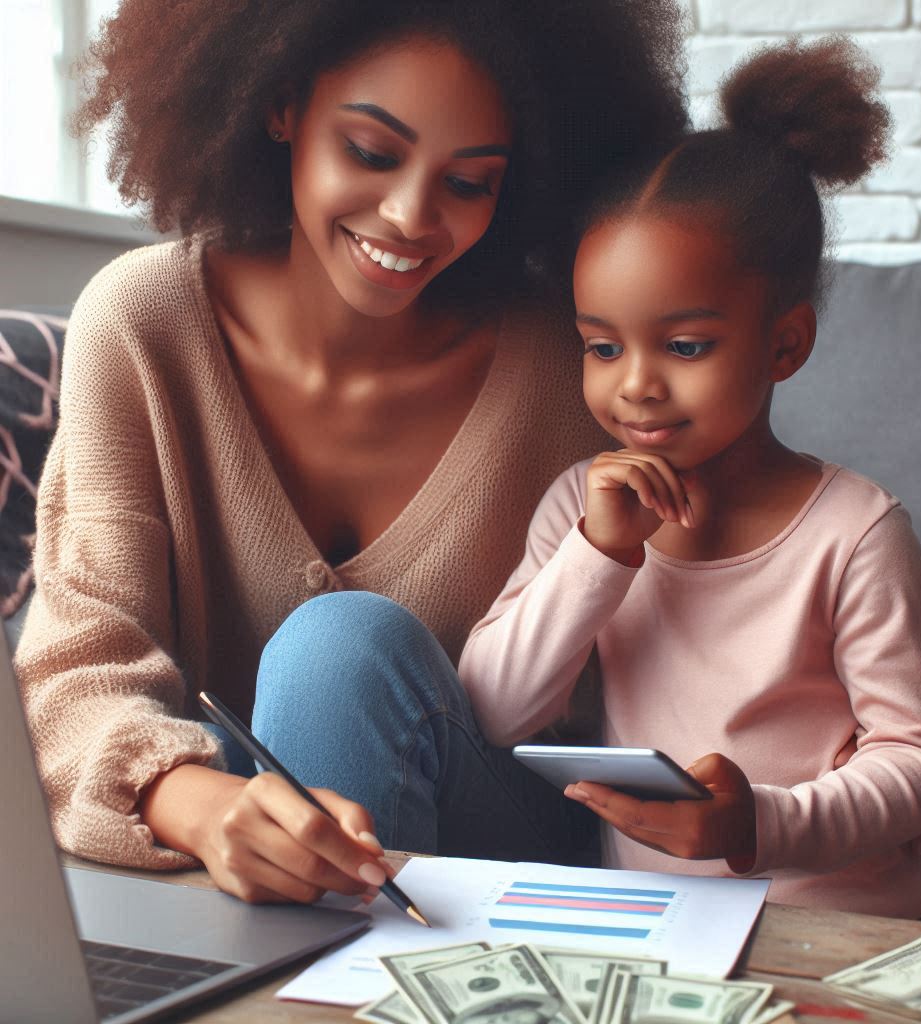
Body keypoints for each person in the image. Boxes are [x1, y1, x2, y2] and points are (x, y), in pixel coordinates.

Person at [14, 0, 689, 904]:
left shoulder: (571, 367)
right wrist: (202, 805)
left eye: (470, 182)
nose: (410, 216)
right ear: (280, 105)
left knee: (340, 647)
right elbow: (74, 669)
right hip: (236, 868)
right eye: (372, 153)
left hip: (493, 860)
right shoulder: (143, 325)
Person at [458, 36, 921, 918]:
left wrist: (756, 825)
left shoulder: (856, 534)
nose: (636, 383)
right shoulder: (583, 509)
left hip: (838, 925)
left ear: (785, 344)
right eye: (602, 347)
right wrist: (598, 556)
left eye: (685, 346)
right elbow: (493, 712)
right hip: (659, 928)